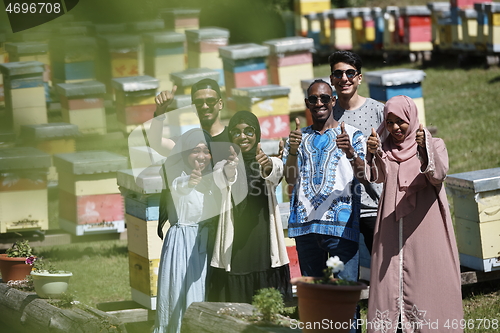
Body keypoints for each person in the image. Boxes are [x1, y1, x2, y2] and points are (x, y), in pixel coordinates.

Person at [365, 95, 463, 333]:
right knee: (388, 282)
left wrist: (423, 149)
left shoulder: (434, 144)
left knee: (428, 277)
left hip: (426, 226)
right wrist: (373, 153)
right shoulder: (385, 148)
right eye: (389, 122)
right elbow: (376, 176)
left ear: (412, 118)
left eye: (401, 121)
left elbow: (437, 175)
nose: (395, 128)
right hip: (390, 227)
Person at [208, 110, 292, 304]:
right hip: (235, 246)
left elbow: (276, 171)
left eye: (248, 131)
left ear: (257, 134)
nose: (243, 136)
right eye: (236, 132)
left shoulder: (268, 161)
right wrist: (232, 167)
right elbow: (222, 178)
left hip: (263, 243)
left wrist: (268, 165)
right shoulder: (223, 164)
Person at [153, 129, 219, 333]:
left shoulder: (214, 178)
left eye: (206, 151)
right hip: (184, 247)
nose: (201, 156)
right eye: (194, 150)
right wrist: (189, 181)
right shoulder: (178, 177)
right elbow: (179, 186)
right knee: (184, 296)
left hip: (205, 245)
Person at [150, 78, 231, 240]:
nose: (205, 106)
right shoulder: (188, 142)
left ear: (220, 104)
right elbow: (156, 142)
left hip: (230, 224)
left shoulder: (234, 139)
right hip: (198, 227)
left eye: (210, 101)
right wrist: (160, 112)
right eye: (199, 103)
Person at [329, 50, 384, 255]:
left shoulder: (378, 111)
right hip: (339, 209)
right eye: (338, 74)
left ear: (359, 78)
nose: (344, 78)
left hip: (374, 206)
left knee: (382, 267)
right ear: (331, 79)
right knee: (345, 275)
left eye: (350, 73)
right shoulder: (327, 114)